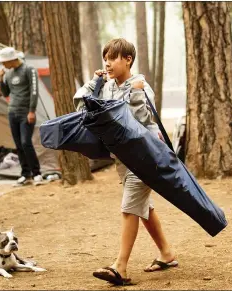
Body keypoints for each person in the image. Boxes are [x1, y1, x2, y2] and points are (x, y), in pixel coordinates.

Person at [73, 38, 177, 285]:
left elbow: (139, 120)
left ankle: (120, 267)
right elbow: (80, 106)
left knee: (130, 205)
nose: (107, 64)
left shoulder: (141, 85)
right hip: (122, 158)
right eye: (105, 59)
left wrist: (138, 93)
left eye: (112, 58)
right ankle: (167, 253)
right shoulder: (107, 87)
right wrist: (95, 82)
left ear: (127, 59)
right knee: (143, 207)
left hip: (145, 154)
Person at [0, 47, 43, 185]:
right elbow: (6, 93)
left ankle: (37, 173)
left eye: (4, 62)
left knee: (25, 142)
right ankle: (25, 173)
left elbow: (34, 91)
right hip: (12, 112)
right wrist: (1, 79)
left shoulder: (29, 69)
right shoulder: (9, 73)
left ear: (11, 59)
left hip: (26, 113)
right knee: (18, 144)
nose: (2, 65)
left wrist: (32, 111)